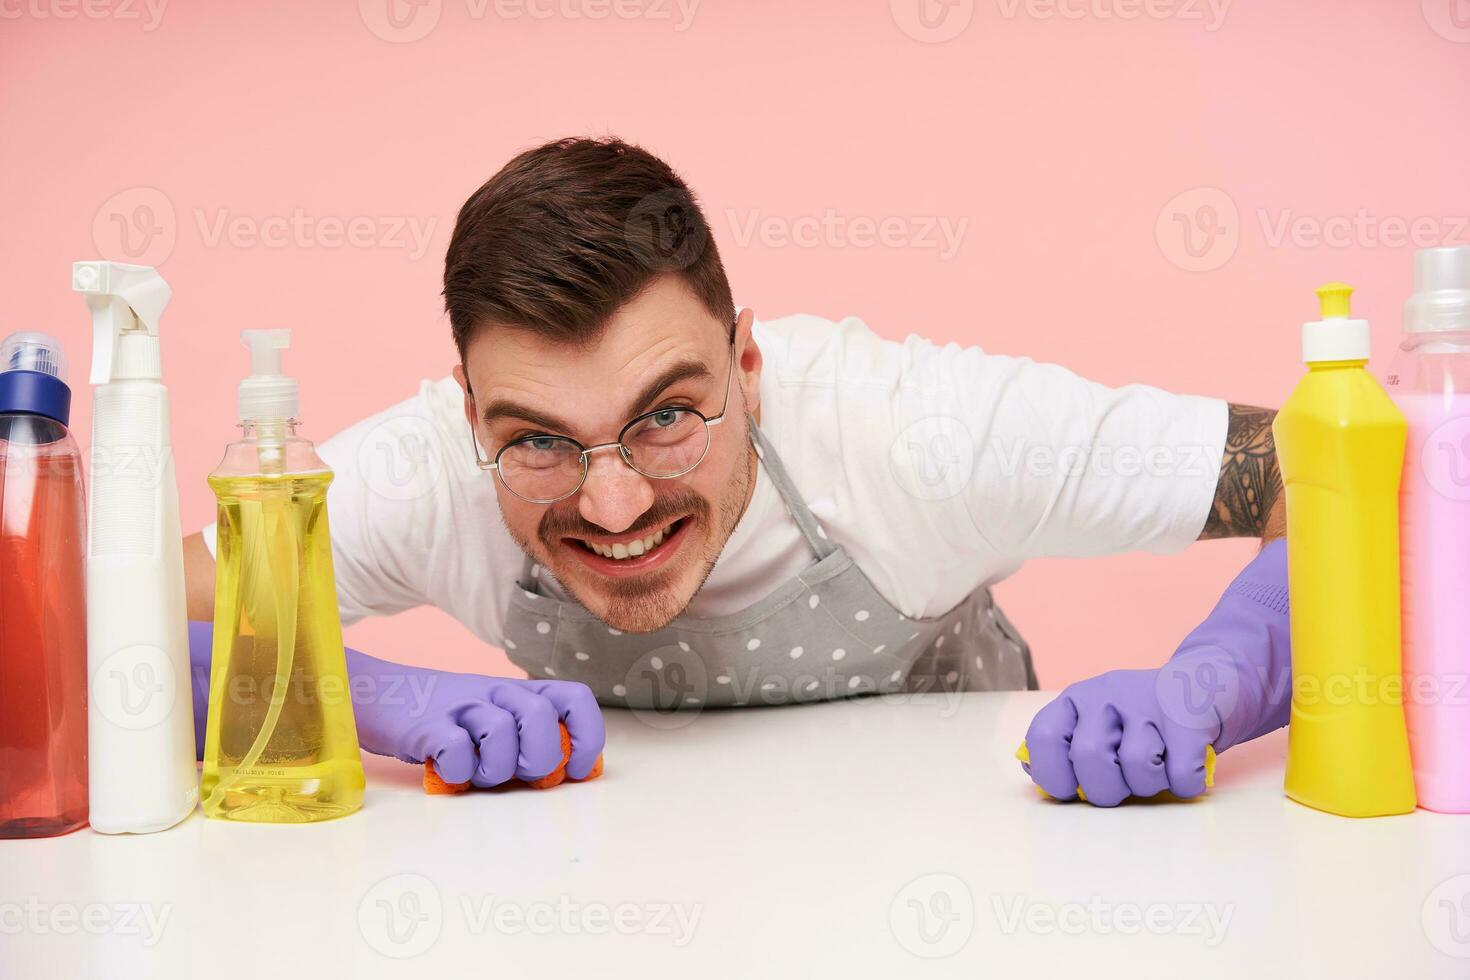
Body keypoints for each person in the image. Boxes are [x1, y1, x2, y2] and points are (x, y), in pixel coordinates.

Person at [183, 137, 1293, 804]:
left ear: (748, 368)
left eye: (667, 415)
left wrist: (1217, 680)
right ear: (469, 413)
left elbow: (1320, 466)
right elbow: (98, 613)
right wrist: (371, 699)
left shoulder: (912, 433)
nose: (612, 505)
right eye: (537, 441)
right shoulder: (427, 475)